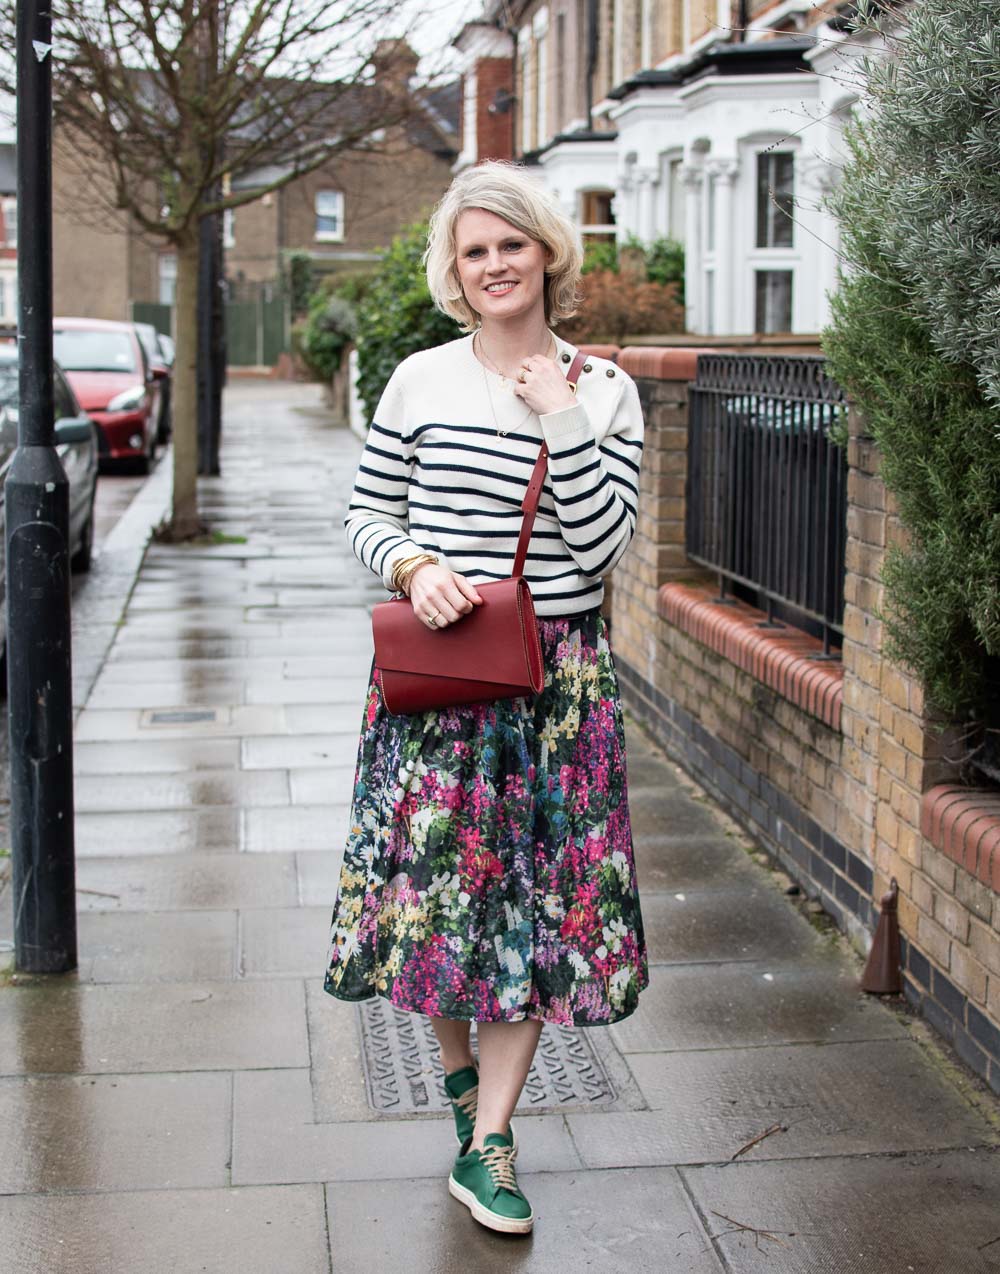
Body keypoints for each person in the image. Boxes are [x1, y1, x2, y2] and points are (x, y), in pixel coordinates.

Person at [323, 160, 648, 1235]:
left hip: (558, 688)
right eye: (474, 250)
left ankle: (493, 1139)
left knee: (536, 914)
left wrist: (560, 414)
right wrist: (414, 565)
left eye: (510, 242)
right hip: (437, 679)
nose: (495, 264)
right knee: (438, 905)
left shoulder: (603, 389)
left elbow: (604, 548)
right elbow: (366, 513)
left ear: (546, 249)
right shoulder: (417, 378)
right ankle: (465, 1091)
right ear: (454, 272)